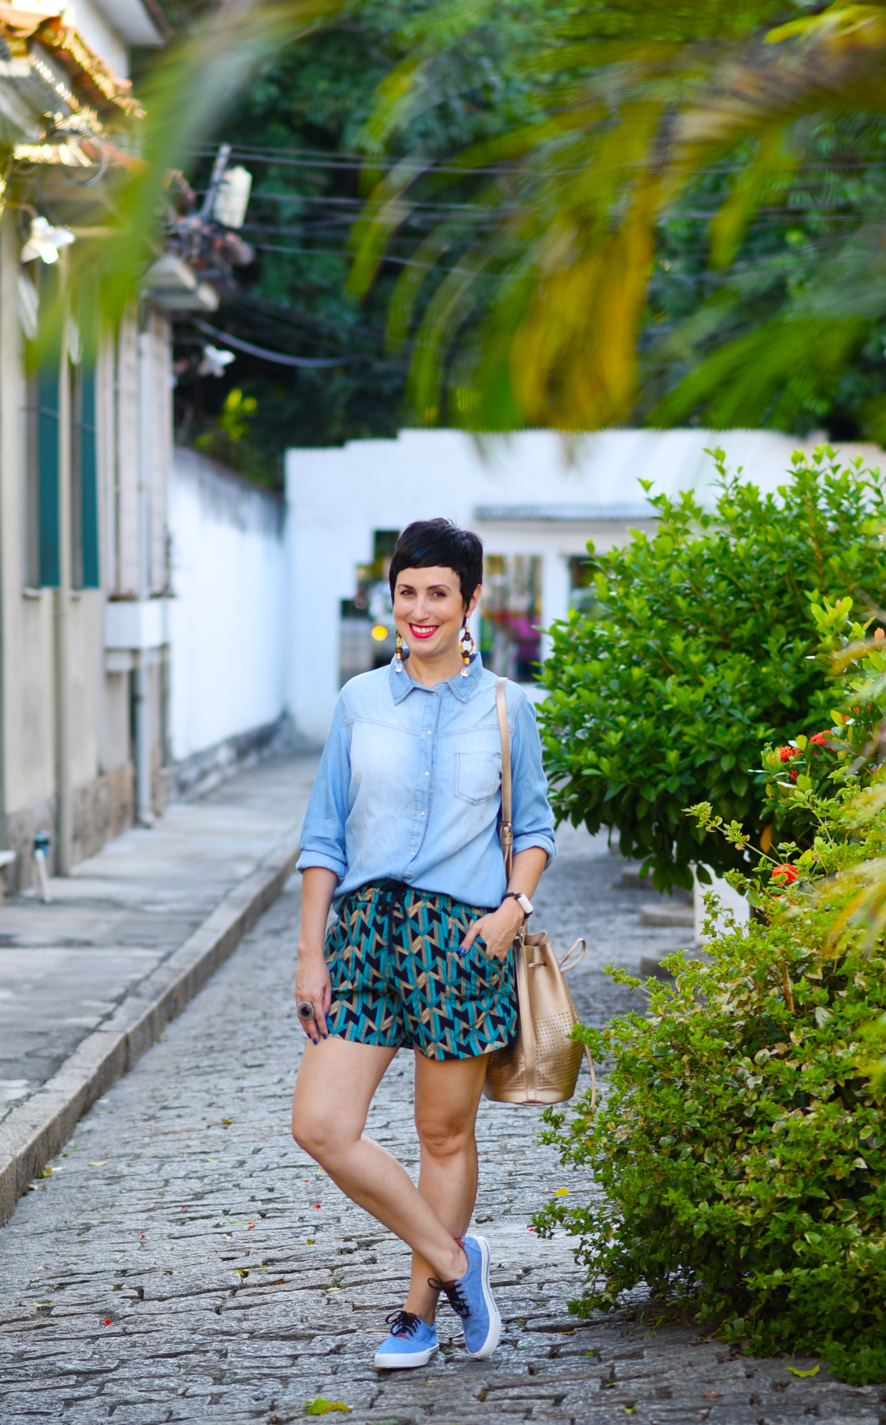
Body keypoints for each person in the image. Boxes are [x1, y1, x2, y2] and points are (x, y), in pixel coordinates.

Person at [291, 518, 555, 1370]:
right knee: (321, 1124)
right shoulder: (359, 702)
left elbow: (535, 828)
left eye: (438, 592)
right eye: (407, 592)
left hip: (461, 938)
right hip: (366, 934)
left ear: (471, 600)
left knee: (442, 1134)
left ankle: (417, 1313)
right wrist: (311, 953)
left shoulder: (508, 706)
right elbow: (324, 836)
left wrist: (512, 909)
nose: (420, 609)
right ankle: (453, 1259)